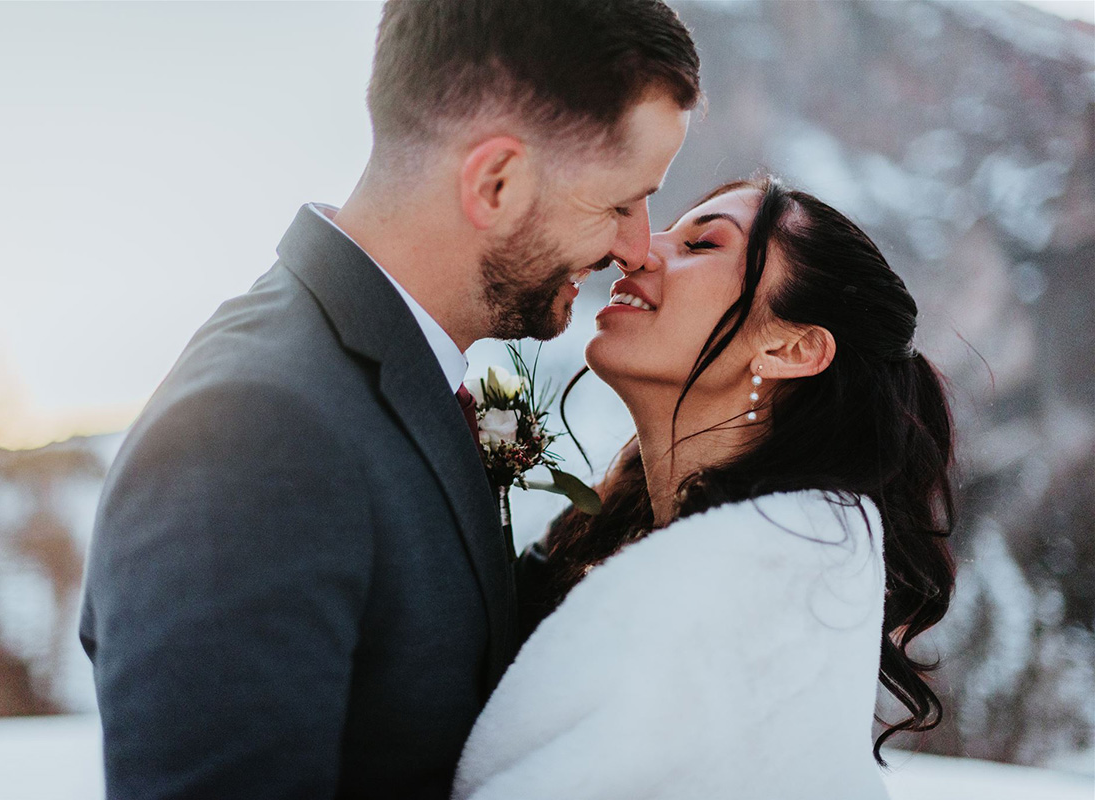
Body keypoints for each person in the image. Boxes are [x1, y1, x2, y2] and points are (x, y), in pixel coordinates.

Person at [78, 1, 699, 798]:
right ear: (496, 182)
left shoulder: (392, 380)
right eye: (618, 204)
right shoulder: (253, 429)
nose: (636, 247)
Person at [453, 176, 957, 799]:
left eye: (701, 245)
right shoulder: (611, 543)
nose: (636, 251)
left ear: (792, 347)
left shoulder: (751, 593)